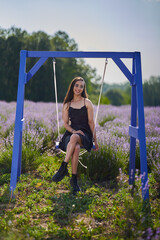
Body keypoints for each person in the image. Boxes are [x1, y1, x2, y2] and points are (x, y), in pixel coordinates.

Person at [52, 76, 99, 194]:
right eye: (77, 85)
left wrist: (95, 141)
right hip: (71, 133)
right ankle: (74, 180)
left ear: (83, 89)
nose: (78, 88)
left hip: (85, 134)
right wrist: (74, 131)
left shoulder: (86, 102)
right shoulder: (67, 104)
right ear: (72, 86)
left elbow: (91, 123)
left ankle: (63, 167)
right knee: (76, 147)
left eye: (81, 86)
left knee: (75, 138)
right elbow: (66, 124)